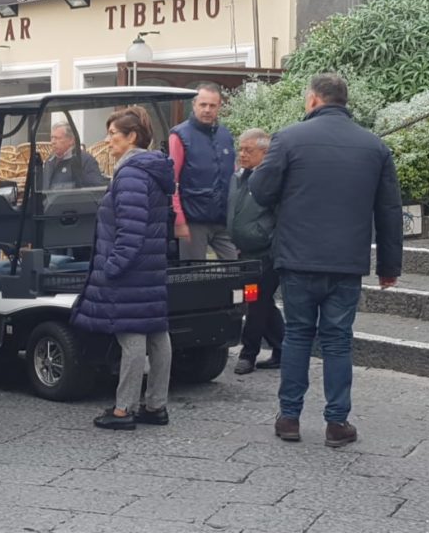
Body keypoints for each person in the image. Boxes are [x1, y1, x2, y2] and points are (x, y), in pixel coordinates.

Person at [249, 74, 402, 448]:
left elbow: (260, 189)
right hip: (346, 262)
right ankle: (337, 422)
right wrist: (388, 266)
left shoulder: (288, 138)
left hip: (298, 258)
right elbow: (389, 210)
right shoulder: (374, 146)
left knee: (299, 334)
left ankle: (289, 418)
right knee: (337, 341)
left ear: (314, 100)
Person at [71, 106, 175, 431]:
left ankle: (123, 410)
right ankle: (156, 406)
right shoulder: (152, 169)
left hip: (130, 270)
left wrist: (113, 266)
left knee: (131, 337)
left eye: (114, 133)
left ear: (132, 137)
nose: (108, 139)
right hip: (150, 266)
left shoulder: (130, 173)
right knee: (157, 334)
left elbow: (131, 230)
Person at [226, 128, 284, 375]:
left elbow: (281, 215)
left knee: (255, 301)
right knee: (260, 302)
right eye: (240, 149)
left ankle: (248, 353)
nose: (242, 154)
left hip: (265, 254)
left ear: (265, 152)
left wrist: (266, 238)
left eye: (248, 150)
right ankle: (283, 349)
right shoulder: (239, 177)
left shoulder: (271, 181)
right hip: (245, 252)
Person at [169, 82, 238, 260]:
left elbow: (233, 175)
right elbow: (172, 182)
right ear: (194, 105)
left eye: (212, 105)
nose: (207, 110)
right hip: (193, 221)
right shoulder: (179, 136)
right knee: (194, 275)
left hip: (223, 219)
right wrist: (179, 220)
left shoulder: (225, 135)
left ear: (219, 107)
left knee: (238, 268)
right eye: (203, 104)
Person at [41, 122, 107, 190]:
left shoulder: (85, 160)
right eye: (52, 138)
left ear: (71, 140)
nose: (53, 142)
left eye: (58, 138)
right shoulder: (49, 161)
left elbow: (96, 191)